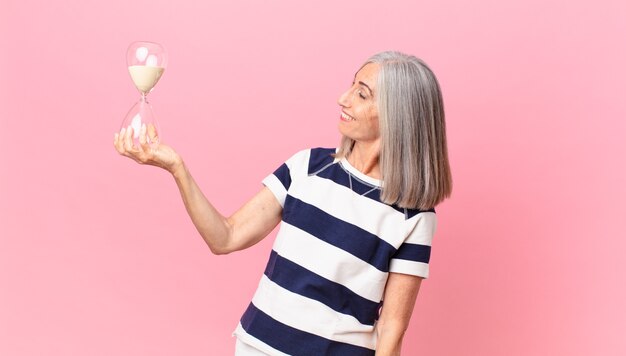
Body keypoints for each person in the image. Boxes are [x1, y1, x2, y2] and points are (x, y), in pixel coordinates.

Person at [114, 50, 452, 356]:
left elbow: (392, 330)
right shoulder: (307, 167)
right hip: (256, 347)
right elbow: (226, 237)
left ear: (398, 115)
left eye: (361, 94)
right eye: (351, 86)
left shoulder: (414, 216)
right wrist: (177, 168)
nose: (343, 99)